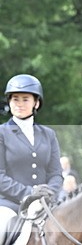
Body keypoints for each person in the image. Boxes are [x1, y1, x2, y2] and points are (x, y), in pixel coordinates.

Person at [0, 74, 63, 228]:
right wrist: (29, 193)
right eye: (15, 99)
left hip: (45, 205)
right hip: (10, 205)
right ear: (9, 101)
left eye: (25, 99)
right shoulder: (2, 133)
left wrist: (48, 194)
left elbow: (56, 174)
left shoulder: (48, 135)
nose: (19, 104)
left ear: (36, 102)